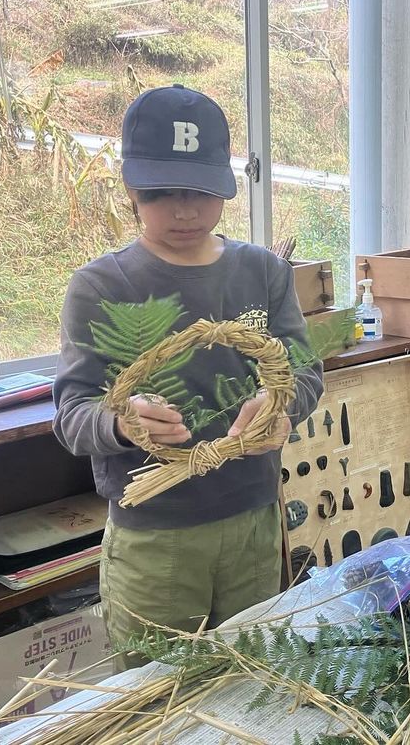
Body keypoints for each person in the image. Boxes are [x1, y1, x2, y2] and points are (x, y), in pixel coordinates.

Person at [53, 85, 324, 659]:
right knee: (157, 695)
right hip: (154, 536)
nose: (184, 210)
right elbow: (73, 416)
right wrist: (125, 423)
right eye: (162, 192)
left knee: (248, 677)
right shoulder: (101, 288)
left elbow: (303, 371)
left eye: (201, 191)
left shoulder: (264, 272)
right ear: (130, 186)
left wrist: (280, 407)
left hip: (253, 520)